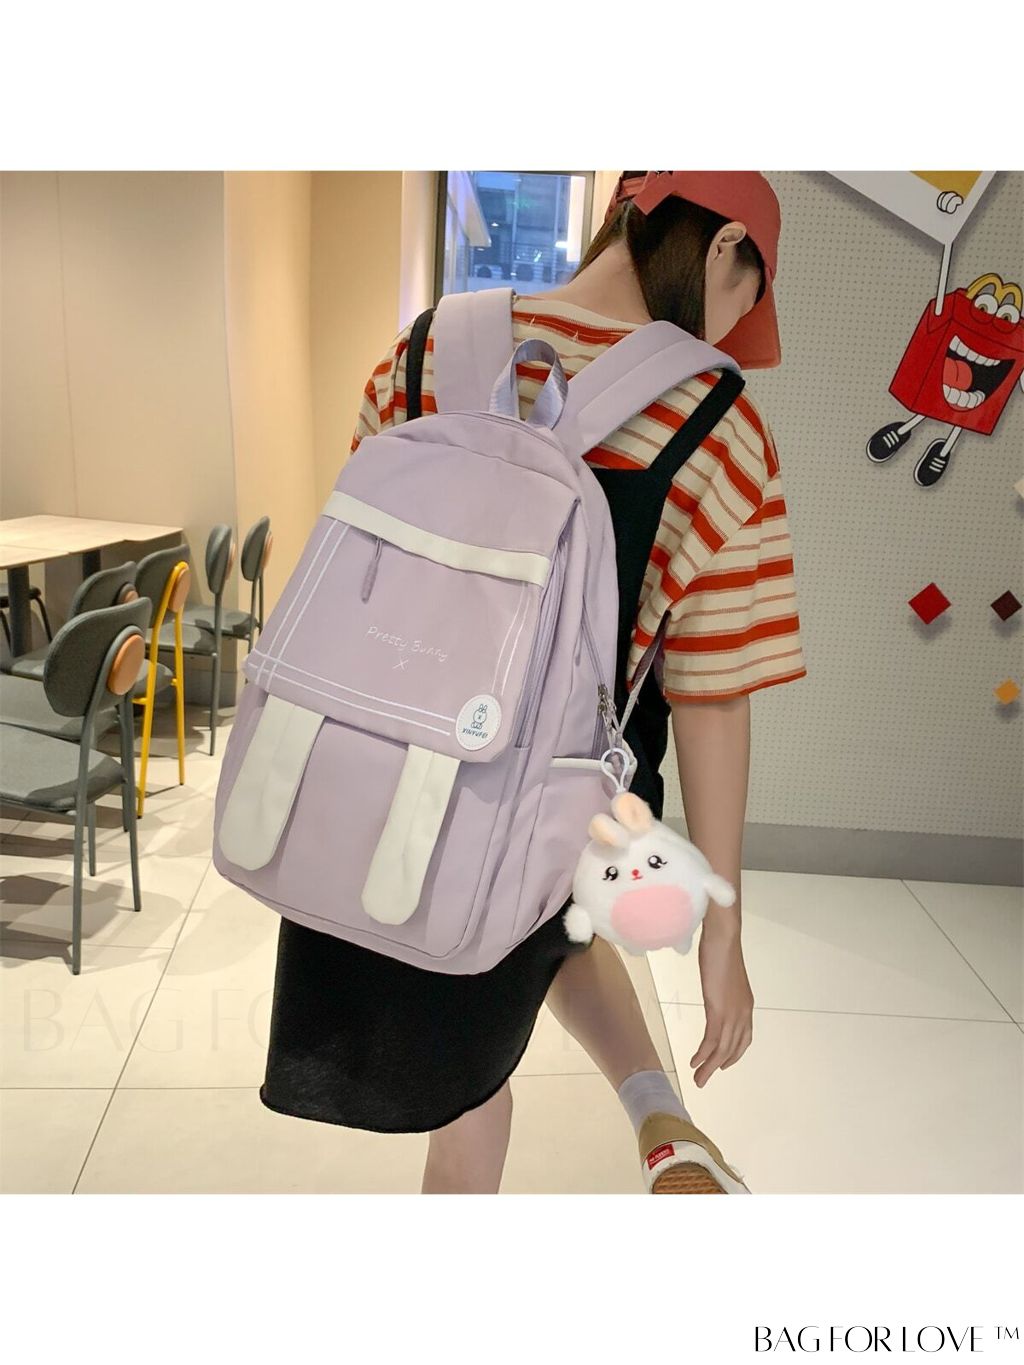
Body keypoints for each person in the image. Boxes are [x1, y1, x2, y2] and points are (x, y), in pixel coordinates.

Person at [258, 170, 806, 1194]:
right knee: (500, 1009)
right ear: (728, 244)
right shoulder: (718, 425)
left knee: (470, 1050)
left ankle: (652, 1114)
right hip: (551, 793)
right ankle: (657, 1119)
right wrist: (722, 925)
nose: (735, 326)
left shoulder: (420, 353)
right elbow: (713, 694)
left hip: (374, 769)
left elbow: (360, 570)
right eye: (750, 295)